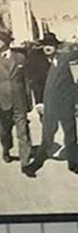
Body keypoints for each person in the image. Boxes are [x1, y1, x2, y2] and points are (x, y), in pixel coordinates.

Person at [36, 31, 78, 174]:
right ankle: (36, 163)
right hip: (48, 105)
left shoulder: (63, 60)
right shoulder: (39, 63)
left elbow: (70, 82)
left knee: (70, 134)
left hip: (65, 104)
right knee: (47, 135)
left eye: (51, 45)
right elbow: (36, 83)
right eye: (45, 45)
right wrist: (39, 102)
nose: (47, 47)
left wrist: (76, 102)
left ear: (56, 47)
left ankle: (73, 164)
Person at [0, 27, 36, 175]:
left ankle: (25, 163)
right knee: (4, 131)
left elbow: (26, 81)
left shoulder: (20, 58)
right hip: (1, 101)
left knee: (23, 130)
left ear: (6, 41)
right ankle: (6, 148)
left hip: (19, 100)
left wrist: (29, 101)